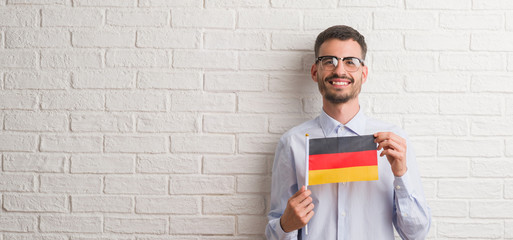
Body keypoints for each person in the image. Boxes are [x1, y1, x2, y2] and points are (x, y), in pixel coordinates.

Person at [265, 25, 431, 240]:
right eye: (329, 61)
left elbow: (416, 234)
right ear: (315, 72)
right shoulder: (293, 143)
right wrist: (285, 225)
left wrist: (401, 174)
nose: (340, 70)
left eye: (350, 62)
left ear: (364, 73)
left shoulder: (394, 143)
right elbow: (274, 231)